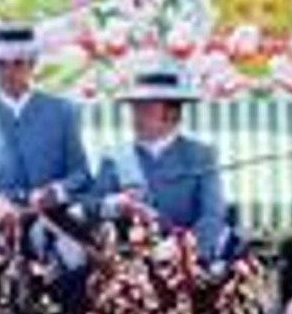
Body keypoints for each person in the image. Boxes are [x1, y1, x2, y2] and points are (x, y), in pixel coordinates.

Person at [0, 22, 91, 223]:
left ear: (32, 64)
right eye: (1, 64)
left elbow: (81, 174)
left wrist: (56, 191)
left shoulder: (63, 111)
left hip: (52, 222)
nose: (9, 72)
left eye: (18, 63)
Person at [92, 59, 228, 257]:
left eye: (146, 110)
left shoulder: (201, 156)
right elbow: (92, 206)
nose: (137, 117)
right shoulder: (114, 157)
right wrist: (113, 204)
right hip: (127, 261)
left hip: (184, 263)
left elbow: (212, 215)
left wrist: (185, 248)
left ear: (172, 114)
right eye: (135, 108)